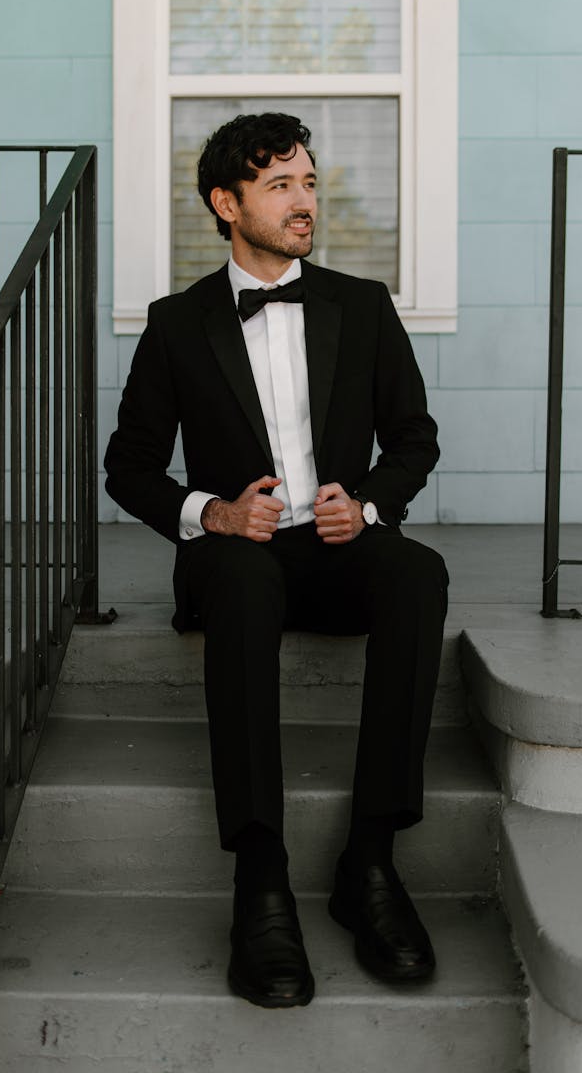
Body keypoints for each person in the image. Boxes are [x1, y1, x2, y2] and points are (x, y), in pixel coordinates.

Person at [104, 112, 448, 1009]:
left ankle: (370, 861)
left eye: (309, 182)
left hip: (335, 549)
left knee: (417, 572)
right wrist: (212, 512)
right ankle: (259, 880)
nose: (306, 201)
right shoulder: (178, 324)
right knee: (248, 577)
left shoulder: (361, 305)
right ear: (227, 203)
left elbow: (414, 439)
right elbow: (129, 467)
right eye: (282, 185)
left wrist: (366, 502)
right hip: (234, 560)